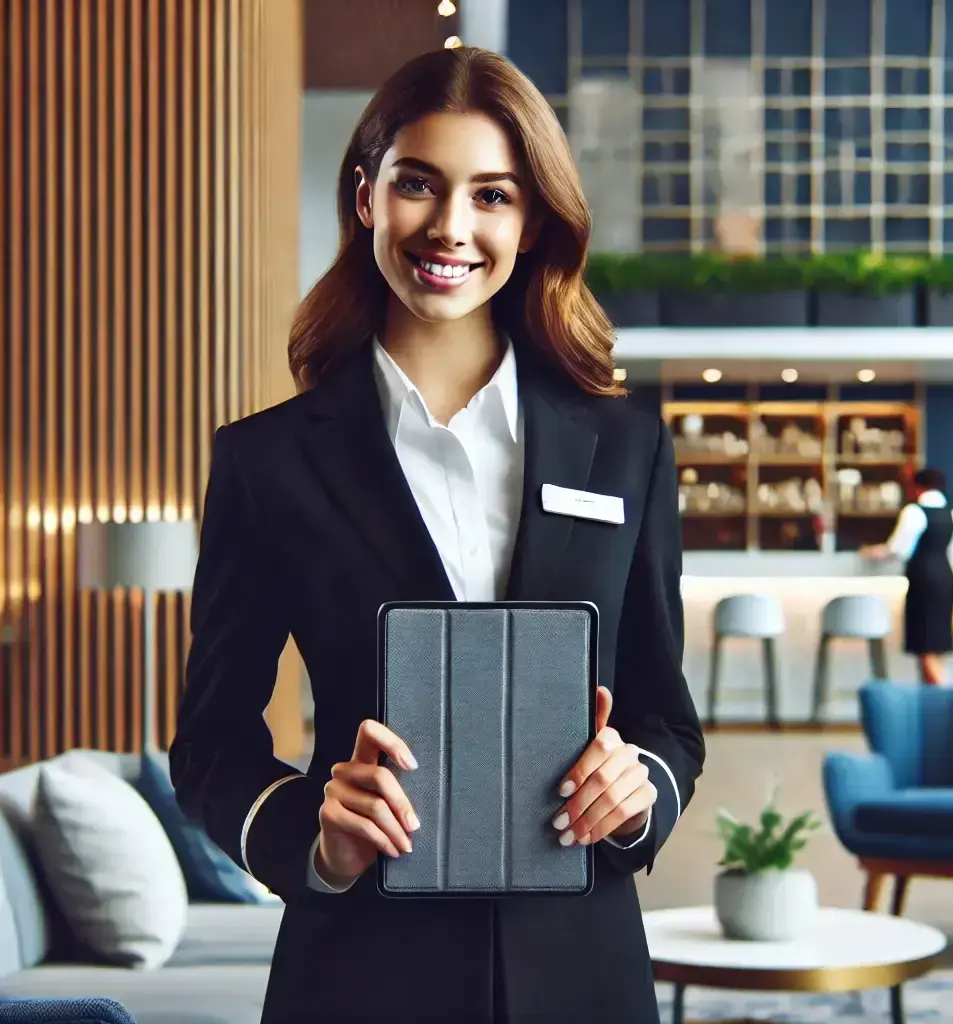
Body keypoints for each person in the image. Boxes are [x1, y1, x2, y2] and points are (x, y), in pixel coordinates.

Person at [169, 46, 705, 1024]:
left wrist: (640, 788)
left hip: (582, 976)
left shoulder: (625, 449)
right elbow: (210, 747)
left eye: (492, 195)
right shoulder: (265, 461)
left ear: (531, 220)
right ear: (366, 193)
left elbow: (667, 718)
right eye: (419, 184)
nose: (451, 226)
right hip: (357, 973)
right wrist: (313, 838)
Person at [860, 467, 953, 685]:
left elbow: (899, 549)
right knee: (937, 646)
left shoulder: (914, 512)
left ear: (916, 487)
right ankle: (934, 702)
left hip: (922, 582)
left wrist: (870, 552)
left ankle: (941, 699)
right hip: (946, 581)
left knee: (925, 646)